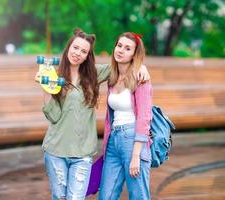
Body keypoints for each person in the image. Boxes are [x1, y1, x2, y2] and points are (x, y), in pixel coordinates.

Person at [35, 29, 149, 200]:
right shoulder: (55, 76)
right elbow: (53, 117)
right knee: (59, 197)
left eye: (84, 51)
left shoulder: (94, 74)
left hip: (83, 153)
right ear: (68, 48)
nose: (78, 53)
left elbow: (123, 66)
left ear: (88, 55)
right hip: (56, 149)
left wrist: (142, 66)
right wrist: (46, 90)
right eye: (75, 48)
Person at [99, 32, 153, 200]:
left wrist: (136, 155)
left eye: (127, 48)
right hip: (113, 140)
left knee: (138, 195)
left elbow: (145, 117)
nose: (121, 50)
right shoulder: (112, 77)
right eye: (119, 45)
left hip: (133, 141)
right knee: (106, 196)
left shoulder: (140, 77)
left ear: (134, 54)